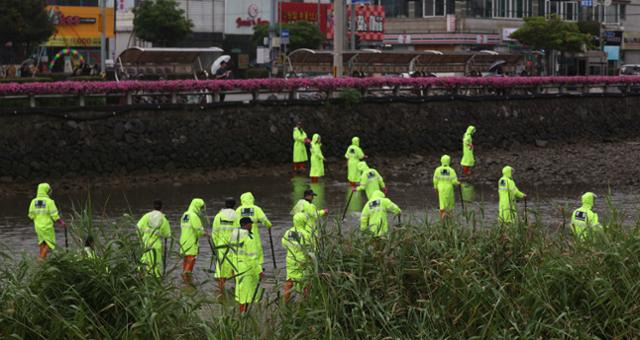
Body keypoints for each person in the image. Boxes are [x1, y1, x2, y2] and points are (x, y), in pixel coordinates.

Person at [229, 217, 262, 313]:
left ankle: (241, 315)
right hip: (247, 269)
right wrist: (259, 271)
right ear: (247, 225)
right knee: (247, 294)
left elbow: (231, 254)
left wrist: (232, 268)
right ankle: (244, 316)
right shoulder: (249, 237)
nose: (251, 226)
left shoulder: (234, 236)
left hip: (237, 268)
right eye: (250, 224)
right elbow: (253, 257)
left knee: (241, 293)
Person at [235, 192, 272, 273]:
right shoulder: (256, 209)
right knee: (256, 251)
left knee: (242, 251)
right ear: (252, 199)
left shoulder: (238, 210)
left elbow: (235, 223)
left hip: (241, 234)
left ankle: (242, 268)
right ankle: (258, 270)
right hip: (253, 234)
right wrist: (269, 225)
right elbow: (264, 220)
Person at [28, 183, 66, 259]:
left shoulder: (33, 201)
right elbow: (54, 215)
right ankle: (41, 259)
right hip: (47, 226)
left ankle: (42, 263)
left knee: (42, 243)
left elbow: (31, 215)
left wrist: (38, 217)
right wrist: (61, 222)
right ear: (46, 191)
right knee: (50, 243)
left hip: (38, 227)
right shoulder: (49, 202)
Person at [282, 212, 314, 303]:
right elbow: (312, 249)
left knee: (289, 281)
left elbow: (284, 244)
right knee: (306, 282)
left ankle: (286, 302)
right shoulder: (306, 234)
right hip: (303, 262)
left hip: (290, 260)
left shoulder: (288, 232)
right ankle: (305, 302)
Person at [137, 200, 171, 277]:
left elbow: (138, 227)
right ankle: (155, 280)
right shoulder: (163, 218)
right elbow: (167, 234)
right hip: (156, 245)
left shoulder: (146, 216)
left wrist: (141, 238)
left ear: (153, 206)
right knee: (156, 263)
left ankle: (142, 276)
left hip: (145, 243)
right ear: (161, 207)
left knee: (144, 261)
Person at [211, 198, 238, 295]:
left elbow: (214, 232)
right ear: (234, 205)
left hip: (221, 247)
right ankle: (237, 291)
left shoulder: (218, 216)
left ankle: (220, 292)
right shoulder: (236, 216)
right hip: (233, 247)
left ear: (225, 204)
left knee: (221, 271)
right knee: (235, 269)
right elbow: (238, 232)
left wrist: (215, 246)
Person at [179, 198, 207, 284]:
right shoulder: (194, 216)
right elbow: (199, 231)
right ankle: (187, 283)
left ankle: (184, 281)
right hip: (191, 243)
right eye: (201, 207)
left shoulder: (185, 214)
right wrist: (205, 233)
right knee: (190, 262)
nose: (201, 209)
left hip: (183, 242)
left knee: (185, 261)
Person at [433, 155, 460, 219]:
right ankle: (450, 219)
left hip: (440, 188)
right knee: (450, 203)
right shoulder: (451, 170)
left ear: (441, 161)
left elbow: (435, 180)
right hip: (449, 188)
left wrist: (435, 187)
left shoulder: (437, 170)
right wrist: (458, 183)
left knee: (442, 203)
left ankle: (442, 219)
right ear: (449, 161)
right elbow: (454, 181)